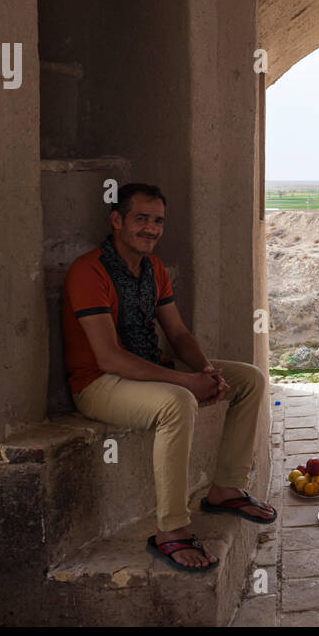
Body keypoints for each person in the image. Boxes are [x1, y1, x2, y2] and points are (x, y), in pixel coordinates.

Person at [62, 183, 275, 573]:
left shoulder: (153, 269)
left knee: (249, 378)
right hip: (98, 384)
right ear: (117, 220)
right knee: (177, 403)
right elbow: (108, 358)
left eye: (157, 221)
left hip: (147, 367)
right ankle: (171, 530)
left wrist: (205, 369)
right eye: (141, 218)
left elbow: (177, 335)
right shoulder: (88, 271)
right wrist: (187, 384)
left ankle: (226, 488)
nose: (151, 229)